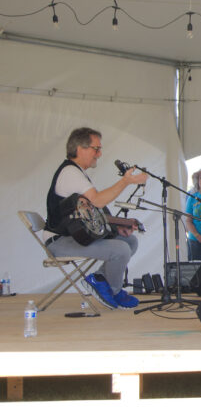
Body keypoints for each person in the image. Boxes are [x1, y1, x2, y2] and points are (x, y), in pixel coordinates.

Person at [44, 127, 147, 309]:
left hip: (73, 235)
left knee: (130, 241)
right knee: (121, 249)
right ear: (80, 148)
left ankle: (100, 279)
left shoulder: (76, 172)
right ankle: (114, 291)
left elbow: (92, 212)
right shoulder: (70, 173)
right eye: (96, 149)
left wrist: (115, 228)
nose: (99, 154)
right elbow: (98, 201)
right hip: (60, 240)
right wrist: (126, 181)